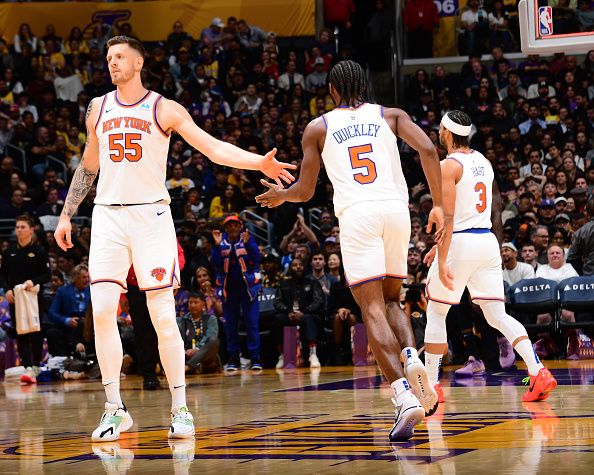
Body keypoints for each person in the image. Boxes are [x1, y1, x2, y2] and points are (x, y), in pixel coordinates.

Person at [53, 36, 296, 443]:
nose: (112, 63)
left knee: (163, 314)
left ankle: (180, 408)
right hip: (108, 217)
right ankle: (114, 408)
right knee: (100, 315)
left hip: (151, 215)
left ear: (139, 63)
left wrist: (258, 162)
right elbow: (88, 165)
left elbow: (212, 148)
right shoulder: (97, 107)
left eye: (120, 57)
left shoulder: (163, 108)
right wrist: (66, 214)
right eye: (108, 57)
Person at [256, 60, 449, 441]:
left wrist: (282, 195)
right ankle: (411, 357)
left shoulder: (319, 127)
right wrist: (439, 205)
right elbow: (428, 150)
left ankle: (403, 397)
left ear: (331, 91)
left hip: (358, 214)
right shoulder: (391, 115)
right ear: (365, 85)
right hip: (396, 211)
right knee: (394, 301)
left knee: (371, 307)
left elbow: (306, 191)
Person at [422, 110, 557, 407]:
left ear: (446, 132)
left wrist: (443, 259)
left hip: (461, 241)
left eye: (440, 129)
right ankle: (538, 372)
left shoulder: (448, 165)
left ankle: (431, 386)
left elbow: (448, 215)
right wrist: (441, 248)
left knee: (436, 312)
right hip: (485, 242)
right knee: (497, 315)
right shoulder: (483, 161)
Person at [0, 215, 50, 383]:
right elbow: (2, 274)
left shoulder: (39, 251)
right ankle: (27, 367)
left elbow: (47, 275)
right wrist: (6, 289)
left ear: (31, 229)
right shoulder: (9, 252)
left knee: (36, 331)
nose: (19, 230)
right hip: (16, 298)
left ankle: (35, 365)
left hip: (34, 298)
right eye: (17, 227)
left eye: (22, 227)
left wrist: (33, 281)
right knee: (20, 331)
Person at [211, 215, 262, 371]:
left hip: (248, 290)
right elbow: (216, 265)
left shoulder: (247, 239)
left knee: (252, 324)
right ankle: (234, 359)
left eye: (235, 225)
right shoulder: (221, 241)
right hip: (229, 291)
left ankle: (255, 359)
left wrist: (248, 245)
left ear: (240, 226)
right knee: (230, 326)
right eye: (230, 225)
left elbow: (256, 260)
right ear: (226, 228)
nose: (233, 228)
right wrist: (217, 245)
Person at [274, 257, 325, 369]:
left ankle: (313, 354)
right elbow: (277, 302)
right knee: (278, 318)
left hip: (307, 314)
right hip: (289, 314)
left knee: (308, 318)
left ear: (304, 267)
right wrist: (289, 312)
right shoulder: (283, 284)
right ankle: (282, 355)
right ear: (290, 268)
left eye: (300, 265)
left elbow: (319, 301)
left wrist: (304, 312)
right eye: (294, 265)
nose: (297, 267)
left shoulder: (312, 282)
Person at [47, 264, 90, 357]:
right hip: (69, 327)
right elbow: (52, 313)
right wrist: (67, 321)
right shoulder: (63, 291)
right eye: (84, 277)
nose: (87, 280)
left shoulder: (91, 291)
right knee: (52, 333)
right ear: (75, 278)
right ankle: (65, 362)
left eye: (88, 277)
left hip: (87, 326)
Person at [177, 292, 220, 373]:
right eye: (190, 302)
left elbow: (211, 336)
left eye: (196, 302)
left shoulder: (211, 319)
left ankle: (188, 367)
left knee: (214, 341)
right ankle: (195, 366)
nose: (192, 305)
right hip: (187, 354)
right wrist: (185, 351)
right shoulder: (181, 320)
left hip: (206, 356)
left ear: (203, 304)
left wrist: (197, 349)